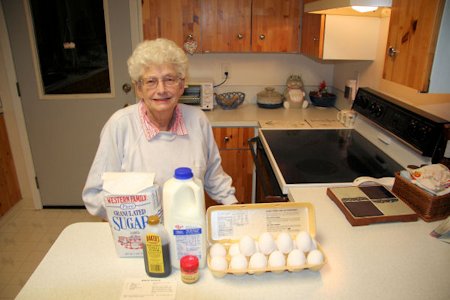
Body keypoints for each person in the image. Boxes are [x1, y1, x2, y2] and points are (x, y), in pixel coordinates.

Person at [82, 38, 238, 219]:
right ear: (138, 89)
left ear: (181, 85)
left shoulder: (197, 120)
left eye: (169, 79)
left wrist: (233, 206)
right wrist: (135, 213)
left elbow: (213, 176)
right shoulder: (120, 125)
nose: (161, 89)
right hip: (139, 232)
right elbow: (94, 195)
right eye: (151, 81)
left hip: (189, 230)